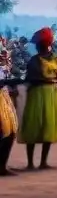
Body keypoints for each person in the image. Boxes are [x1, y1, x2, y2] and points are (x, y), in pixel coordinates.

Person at [19, 27, 57, 170]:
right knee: (34, 126)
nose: (38, 47)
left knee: (47, 126)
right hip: (42, 93)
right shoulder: (42, 60)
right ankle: (33, 162)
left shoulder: (52, 59)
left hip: (48, 94)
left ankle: (40, 162)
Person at [0, 42, 22, 176]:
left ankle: (2, 165)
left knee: (11, 131)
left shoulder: (4, 64)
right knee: (4, 132)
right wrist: (10, 82)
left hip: (3, 96)